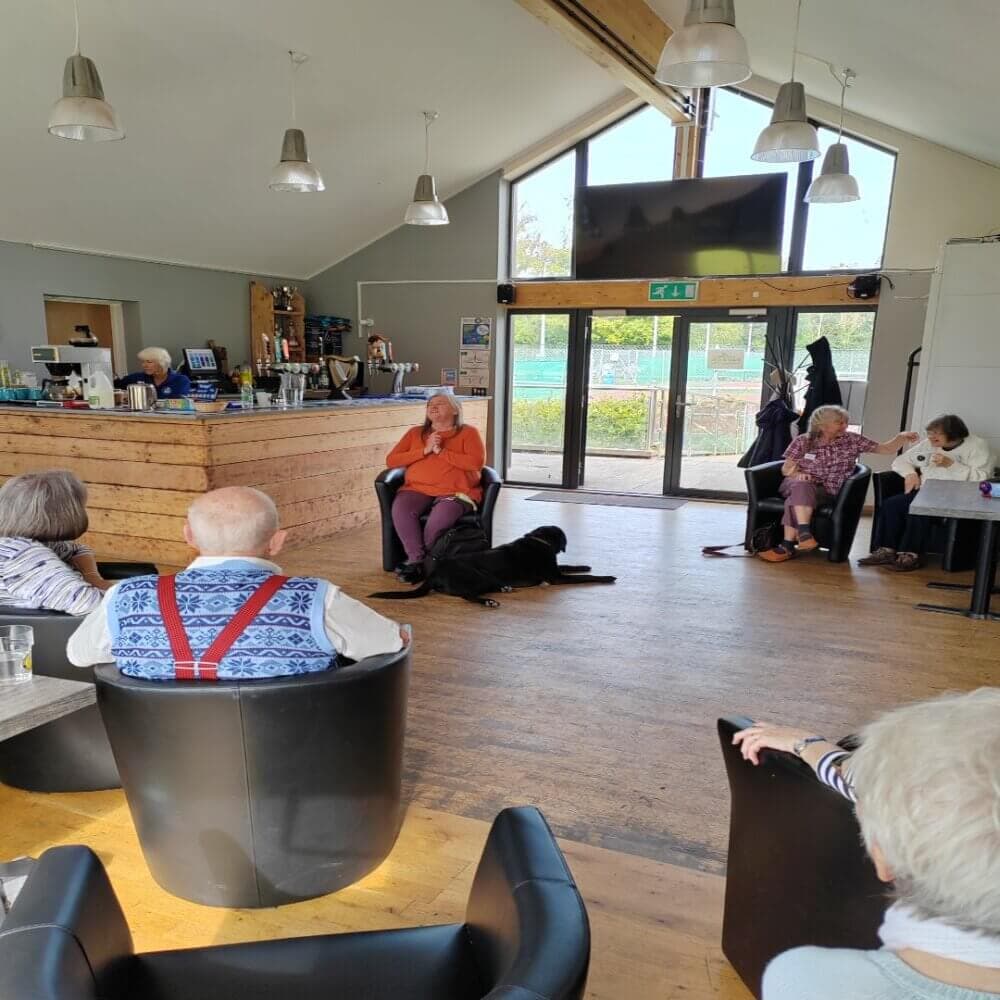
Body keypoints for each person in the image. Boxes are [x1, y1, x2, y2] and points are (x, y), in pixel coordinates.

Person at [733, 688, 1000, 1000]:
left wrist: (805, 744)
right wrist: (811, 746)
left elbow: (865, 786)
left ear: (883, 860)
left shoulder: (803, 980)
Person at [67, 486, 407, 679]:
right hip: (301, 763)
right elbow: (391, 642)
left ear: (189, 536)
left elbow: (79, 655)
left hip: (163, 775)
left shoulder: (126, 596)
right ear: (277, 542)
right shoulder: (315, 598)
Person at [758, 405, 918, 563]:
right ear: (823, 425)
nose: (845, 426)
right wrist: (798, 474)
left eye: (845, 422)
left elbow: (886, 449)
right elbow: (786, 469)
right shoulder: (803, 441)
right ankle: (804, 534)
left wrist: (902, 437)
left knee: (795, 498)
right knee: (801, 486)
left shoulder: (852, 440)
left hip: (827, 490)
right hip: (795, 483)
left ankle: (788, 546)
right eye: (839, 423)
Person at [860, 414, 994, 572]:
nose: (931, 437)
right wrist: (910, 473)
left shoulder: (978, 446)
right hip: (926, 491)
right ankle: (886, 550)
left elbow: (982, 478)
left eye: (936, 433)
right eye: (929, 432)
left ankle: (911, 555)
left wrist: (951, 465)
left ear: (954, 433)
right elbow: (901, 461)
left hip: (958, 496)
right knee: (892, 505)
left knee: (920, 508)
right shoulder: (928, 444)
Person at [385, 392, 486, 583]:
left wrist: (441, 452)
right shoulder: (415, 433)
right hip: (417, 488)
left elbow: (476, 463)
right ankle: (417, 561)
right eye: (430, 404)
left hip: (455, 492)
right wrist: (424, 450)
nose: (433, 407)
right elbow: (391, 460)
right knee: (401, 509)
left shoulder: (468, 433)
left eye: (440, 403)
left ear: (455, 409)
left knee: (437, 522)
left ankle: (424, 565)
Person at [0, 470, 111, 615]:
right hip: (58, 631)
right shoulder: (24, 556)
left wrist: (92, 577)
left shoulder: (19, 545)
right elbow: (89, 604)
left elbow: (77, 550)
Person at [115, 347, 191, 399]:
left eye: (149, 362)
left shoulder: (180, 380)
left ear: (162, 363)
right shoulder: (136, 377)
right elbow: (115, 386)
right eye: (143, 362)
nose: (144, 365)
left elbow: (178, 402)